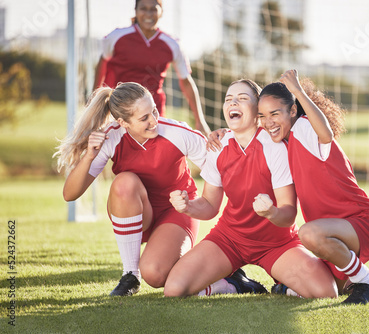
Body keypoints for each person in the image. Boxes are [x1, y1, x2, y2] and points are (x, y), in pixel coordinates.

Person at [54, 82, 258, 297]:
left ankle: (229, 283)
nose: (154, 121)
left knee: (155, 274)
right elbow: (70, 194)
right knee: (124, 182)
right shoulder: (110, 137)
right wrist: (89, 155)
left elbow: (221, 163)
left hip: (176, 212)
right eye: (144, 118)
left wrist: (226, 138)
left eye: (153, 111)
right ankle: (130, 275)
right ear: (123, 122)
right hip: (137, 213)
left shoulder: (177, 133)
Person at [164, 79, 338, 299]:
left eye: (242, 98)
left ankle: (284, 286)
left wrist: (272, 212)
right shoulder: (218, 146)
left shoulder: (275, 147)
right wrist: (188, 206)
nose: (233, 103)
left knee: (325, 292)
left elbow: (288, 213)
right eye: (228, 99)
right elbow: (209, 205)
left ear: (258, 110)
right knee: (174, 290)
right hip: (230, 239)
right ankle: (233, 284)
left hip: (276, 243)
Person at [256, 70, 369, 304]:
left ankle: (368, 283)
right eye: (262, 116)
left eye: (274, 114)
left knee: (306, 233)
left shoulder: (305, 128)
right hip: (333, 236)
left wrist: (297, 91)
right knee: (326, 288)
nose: (268, 122)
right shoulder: (284, 144)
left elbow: (326, 134)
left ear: (293, 110)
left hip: (362, 223)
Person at [93, 0, 211, 136]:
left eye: (153, 9)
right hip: (119, 109)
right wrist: (94, 100)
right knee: (118, 154)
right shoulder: (116, 37)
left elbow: (186, 81)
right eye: (143, 8)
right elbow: (102, 63)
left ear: (161, 12)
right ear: (135, 11)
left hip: (153, 112)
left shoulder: (172, 45)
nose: (148, 14)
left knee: (153, 154)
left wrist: (200, 120)